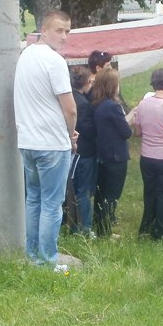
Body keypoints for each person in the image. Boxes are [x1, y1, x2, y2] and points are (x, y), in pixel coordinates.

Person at [14, 9, 79, 271]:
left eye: (68, 31)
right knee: (52, 205)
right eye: (59, 30)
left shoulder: (26, 55)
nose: (64, 36)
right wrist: (70, 134)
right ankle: (48, 260)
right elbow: (70, 108)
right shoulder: (54, 61)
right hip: (51, 143)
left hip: (28, 141)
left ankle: (32, 255)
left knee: (34, 200)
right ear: (44, 29)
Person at [133, 68, 163, 241]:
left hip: (147, 157)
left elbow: (137, 131)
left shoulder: (143, 104)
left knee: (150, 193)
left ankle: (146, 227)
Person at [92, 67, 133, 238]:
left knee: (102, 194)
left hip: (102, 154)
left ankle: (99, 226)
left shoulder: (97, 104)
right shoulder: (113, 107)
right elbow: (126, 132)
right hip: (116, 156)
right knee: (111, 195)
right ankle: (105, 232)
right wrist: (132, 116)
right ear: (111, 85)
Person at [68, 66, 96, 235]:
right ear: (85, 82)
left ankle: (73, 225)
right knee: (84, 191)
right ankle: (85, 227)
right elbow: (88, 129)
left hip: (73, 150)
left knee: (74, 189)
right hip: (84, 151)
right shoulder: (83, 104)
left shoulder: (70, 97)